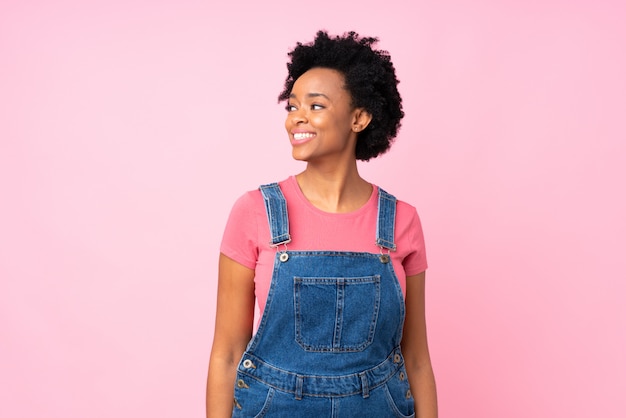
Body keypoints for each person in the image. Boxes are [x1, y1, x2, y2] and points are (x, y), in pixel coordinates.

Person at [206, 30, 437, 417]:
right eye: (292, 105)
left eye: (315, 106)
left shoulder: (400, 221)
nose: (297, 117)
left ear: (359, 118)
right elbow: (227, 353)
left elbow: (415, 359)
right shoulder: (254, 212)